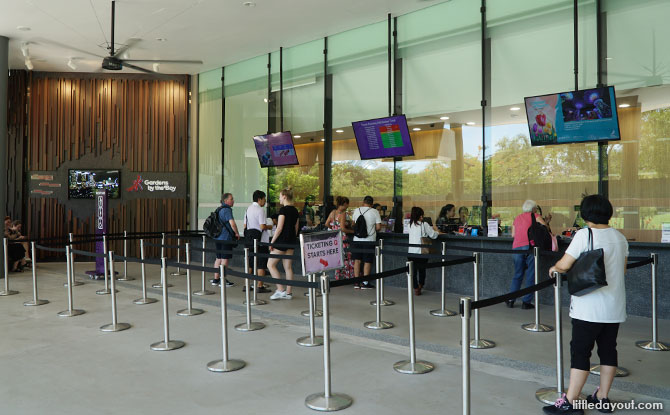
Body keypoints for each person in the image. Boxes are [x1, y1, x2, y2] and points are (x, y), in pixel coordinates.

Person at [543, 195, 628, 415]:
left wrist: (554, 269)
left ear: (587, 213)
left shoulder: (584, 234)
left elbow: (565, 264)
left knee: (581, 352)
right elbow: (622, 270)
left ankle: (571, 403)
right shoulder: (620, 238)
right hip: (614, 307)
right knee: (609, 350)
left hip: (589, 308)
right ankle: (602, 397)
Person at [506, 200, 547, 309]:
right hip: (530, 247)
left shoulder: (517, 218)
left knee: (518, 274)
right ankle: (526, 302)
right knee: (530, 275)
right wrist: (547, 221)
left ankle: (511, 300)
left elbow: (513, 234)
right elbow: (545, 229)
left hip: (517, 248)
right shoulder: (536, 216)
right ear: (534, 209)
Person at [268, 188, 300, 300]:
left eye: (280, 196)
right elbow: (296, 228)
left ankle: (280, 289)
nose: (279, 198)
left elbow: (279, 227)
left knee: (270, 264)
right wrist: (292, 238)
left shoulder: (283, 210)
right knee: (288, 267)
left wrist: (272, 242)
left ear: (284, 196)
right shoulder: (295, 210)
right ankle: (288, 293)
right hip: (291, 241)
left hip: (282, 241)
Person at [243, 190, 272, 294]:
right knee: (261, 263)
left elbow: (245, 226)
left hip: (250, 240)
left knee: (250, 262)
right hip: (261, 240)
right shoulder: (260, 210)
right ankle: (260, 285)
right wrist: (271, 226)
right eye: (264, 199)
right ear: (259, 199)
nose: (265, 202)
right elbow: (262, 226)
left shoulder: (248, 209)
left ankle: (246, 285)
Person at [408, 207, 439, 296]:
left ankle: (415, 287)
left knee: (413, 272)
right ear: (420, 216)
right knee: (422, 270)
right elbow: (433, 235)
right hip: (421, 252)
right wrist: (436, 230)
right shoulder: (424, 224)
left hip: (411, 251)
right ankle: (420, 285)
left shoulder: (409, 225)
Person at [352, 195, 382, 289]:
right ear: (372, 204)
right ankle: (365, 283)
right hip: (369, 240)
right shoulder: (375, 211)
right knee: (367, 261)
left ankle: (356, 282)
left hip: (356, 239)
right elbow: (378, 227)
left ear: (363, 202)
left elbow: (353, 224)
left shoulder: (357, 210)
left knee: (357, 260)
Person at [210, 193, 239, 287]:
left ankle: (216, 279)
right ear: (226, 201)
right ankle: (223, 280)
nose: (233, 200)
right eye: (231, 199)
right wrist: (237, 233)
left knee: (218, 258)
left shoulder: (219, 209)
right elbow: (232, 224)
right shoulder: (227, 210)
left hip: (217, 237)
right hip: (226, 238)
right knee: (225, 259)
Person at [326, 196, 354, 281]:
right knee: (347, 256)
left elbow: (326, 224)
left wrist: (334, 227)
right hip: (342, 238)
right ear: (345, 204)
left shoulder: (333, 212)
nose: (348, 206)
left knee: (338, 257)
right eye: (347, 204)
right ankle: (347, 276)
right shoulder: (343, 214)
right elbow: (342, 228)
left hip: (335, 238)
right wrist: (352, 231)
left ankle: (338, 276)